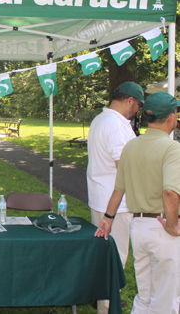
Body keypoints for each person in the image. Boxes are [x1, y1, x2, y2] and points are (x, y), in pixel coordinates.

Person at [95, 91, 180, 314]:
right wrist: (172, 225)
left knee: (144, 296)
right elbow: (170, 193)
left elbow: (118, 189)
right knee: (166, 299)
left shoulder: (131, 146)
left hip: (139, 227)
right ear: (171, 116)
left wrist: (108, 218)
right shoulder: (172, 149)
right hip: (163, 226)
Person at [86, 81, 144, 313]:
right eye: (138, 105)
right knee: (116, 259)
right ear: (130, 100)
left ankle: (103, 300)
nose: (138, 110)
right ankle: (108, 306)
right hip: (115, 204)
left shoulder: (100, 119)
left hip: (101, 197)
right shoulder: (116, 125)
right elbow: (125, 168)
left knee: (103, 257)